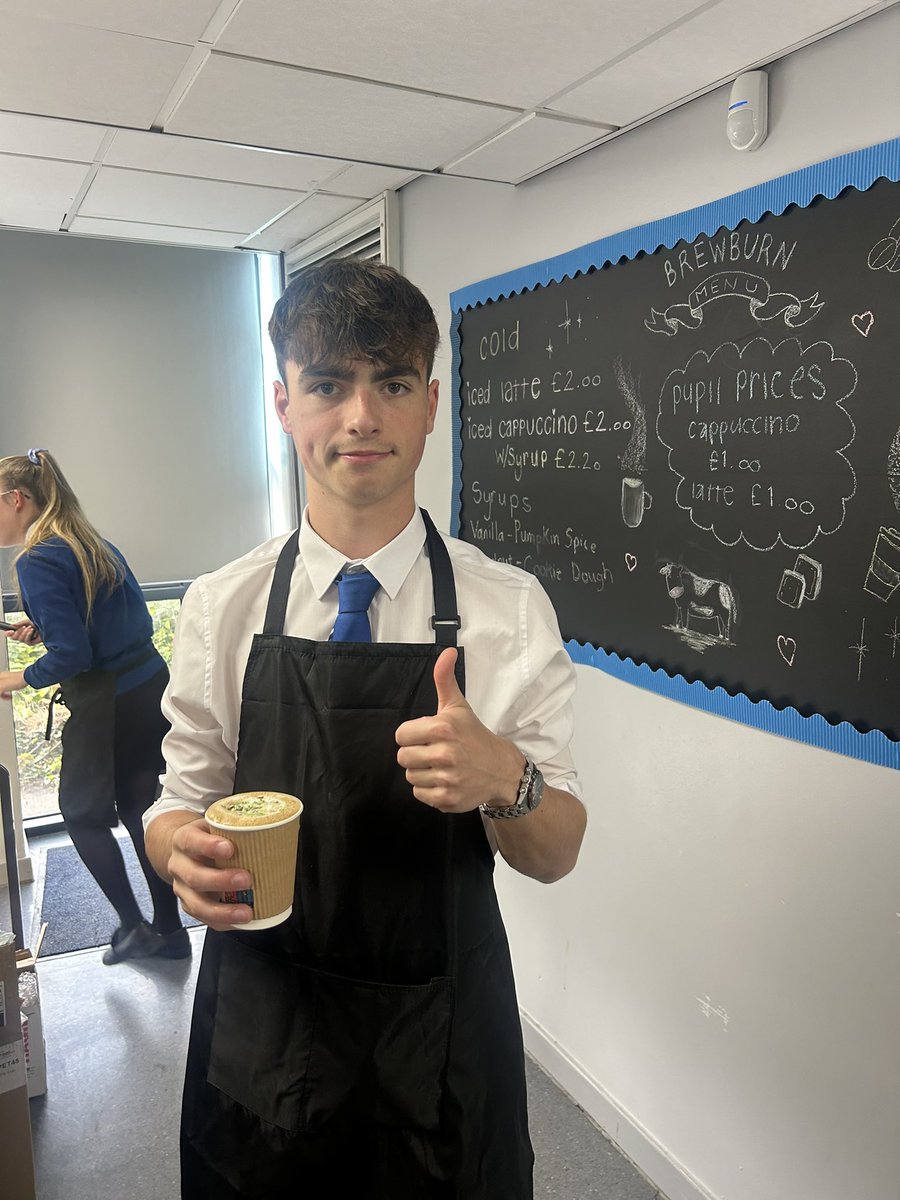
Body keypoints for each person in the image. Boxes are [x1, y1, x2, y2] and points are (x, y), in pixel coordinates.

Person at [144, 258, 587, 1198]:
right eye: (328, 384)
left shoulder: (507, 610)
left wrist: (506, 777)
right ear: (283, 403)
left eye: (389, 384)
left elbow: (554, 854)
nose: (359, 417)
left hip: (444, 1053)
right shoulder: (223, 608)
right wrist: (180, 852)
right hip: (263, 1027)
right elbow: (177, 805)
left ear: (430, 404)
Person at [0, 450, 188, 964]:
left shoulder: (36, 560)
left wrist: (14, 679)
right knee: (138, 809)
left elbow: (75, 655)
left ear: (17, 499)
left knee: (81, 817)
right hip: (148, 685)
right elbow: (99, 624)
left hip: (109, 702)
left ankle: (134, 928)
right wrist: (42, 632)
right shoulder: (88, 543)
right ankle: (170, 931)